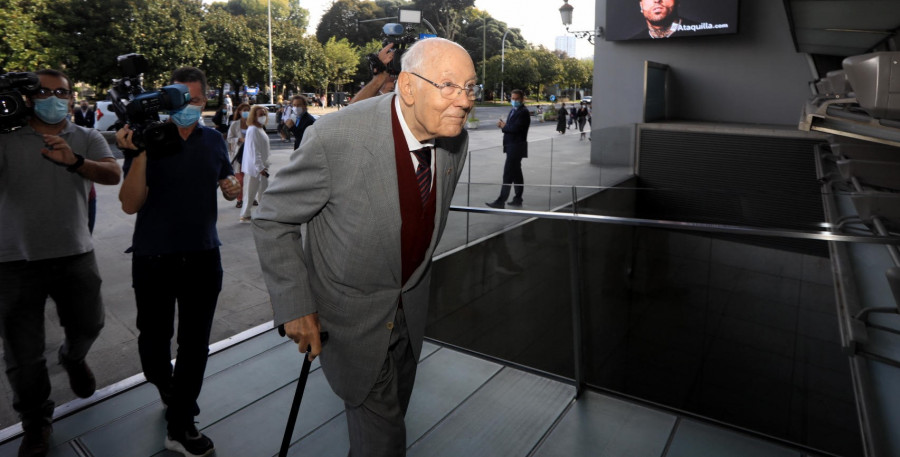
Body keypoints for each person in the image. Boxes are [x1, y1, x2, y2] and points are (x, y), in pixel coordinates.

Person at [253, 37, 475, 456]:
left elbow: (419, 219)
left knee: (386, 426)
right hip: (350, 322)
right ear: (408, 87)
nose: (463, 101)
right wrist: (295, 304)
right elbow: (272, 217)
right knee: (386, 442)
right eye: (449, 86)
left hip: (410, 317)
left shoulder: (454, 142)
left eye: (470, 87)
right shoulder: (336, 137)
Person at [117, 66, 241, 457]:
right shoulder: (148, 139)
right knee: (154, 343)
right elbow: (129, 203)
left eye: (196, 99)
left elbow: (225, 181)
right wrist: (138, 154)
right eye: (179, 99)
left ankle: (181, 423)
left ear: (206, 101)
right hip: (154, 257)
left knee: (195, 345)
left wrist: (231, 186)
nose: (188, 106)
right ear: (167, 100)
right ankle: (170, 388)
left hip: (204, 254)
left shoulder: (214, 140)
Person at [0, 68, 121, 457]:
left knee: (90, 322)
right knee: (23, 353)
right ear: (29, 96)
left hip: (74, 253)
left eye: (62, 92)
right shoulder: (4, 136)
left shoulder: (84, 135)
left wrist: (74, 162)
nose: (55, 97)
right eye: (45, 91)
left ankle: (73, 355)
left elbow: (111, 173)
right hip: (13, 260)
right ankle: (36, 422)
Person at [486, 89, 530, 209]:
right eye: (512, 98)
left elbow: (515, 129)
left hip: (516, 148)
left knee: (508, 174)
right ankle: (518, 198)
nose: (514, 101)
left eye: (517, 99)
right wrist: (504, 125)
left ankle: (501, 201)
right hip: (512, 147)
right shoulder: (513, 110)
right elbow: (511, 127)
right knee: (516, 174)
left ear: (522, 99)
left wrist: (503, 126)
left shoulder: (523, 112)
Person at [239, 105, 271, 222]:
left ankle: (262, 213)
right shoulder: (252, 129)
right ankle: (245, 214)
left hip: (262, 167)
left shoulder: (260, 128)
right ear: (254, 116)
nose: (263, 116)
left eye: (264, 114)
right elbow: (254, 151)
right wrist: (260, 167)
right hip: (255, 168)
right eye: (260, 114)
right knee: (250, 192)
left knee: (263, 191)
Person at [631, 0, 700, 39]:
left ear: (677, 1)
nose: (657, 0)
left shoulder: (700, 33)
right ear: (641, 6)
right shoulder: (633, 42)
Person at [227, 103, 251, 208]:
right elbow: (229, 138)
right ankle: (239, 199)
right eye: (243, 110)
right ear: (239, 112)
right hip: (238, 154)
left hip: (250, 154)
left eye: (248, 110)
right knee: (239, 179)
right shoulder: (235, 124)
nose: (245, 112)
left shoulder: (253, 124)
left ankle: (251, 198)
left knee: (251, 179)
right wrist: (240, 139)